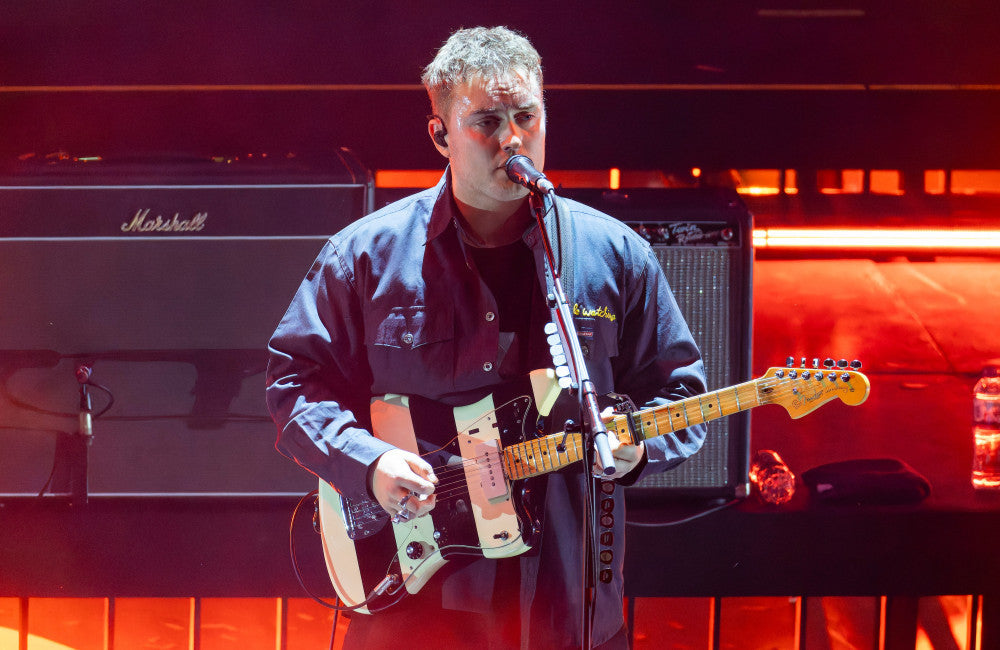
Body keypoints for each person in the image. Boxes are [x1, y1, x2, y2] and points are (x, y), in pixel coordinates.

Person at [266, 26, 707, 649]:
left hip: (565, 606)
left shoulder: (614, 256)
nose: (512, 138)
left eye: (527, 115)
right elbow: (293, 386)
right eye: (486, 121)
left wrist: (636, 449)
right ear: (441, 134)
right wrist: (371, 463)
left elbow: (680, 396)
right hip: (414, 610)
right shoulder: (364, 256)